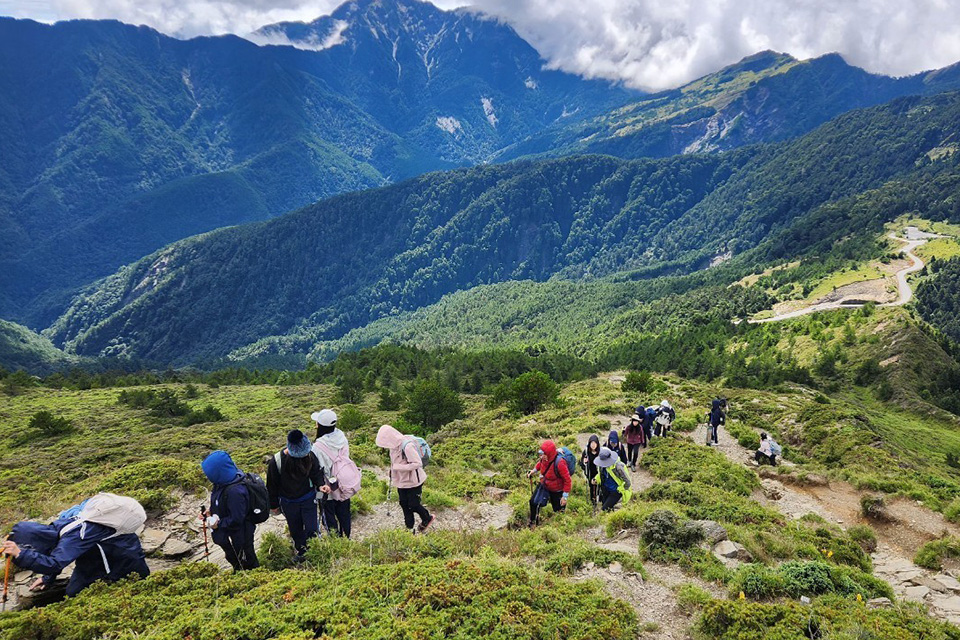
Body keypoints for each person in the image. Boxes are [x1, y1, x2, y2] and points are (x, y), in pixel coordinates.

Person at [1, 496, 149, 598]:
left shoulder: (76, 535)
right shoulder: (59, 525)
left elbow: (56, 562)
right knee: (73, 592)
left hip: (119, 559)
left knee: (76, 594)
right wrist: (47, 578)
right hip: (95, 554)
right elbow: (57, 550)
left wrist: (21, 554)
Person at [267, 429, 329, 560]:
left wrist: (321, 485)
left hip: (308, 498)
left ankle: (314, 550)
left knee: (312, 527)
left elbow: (316, 472)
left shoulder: (310, 456)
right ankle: (302, 551)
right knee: (295, 529)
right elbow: (272, 486)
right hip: (288, 502)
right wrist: (273, 505)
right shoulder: (276, 461)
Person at [201, 450, 259, 570]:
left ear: (217, 472)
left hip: (242, 532)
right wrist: (211, 511)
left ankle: (254, 576)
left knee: (246, 556)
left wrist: (218, 524)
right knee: (233, 555)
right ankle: (239, 570)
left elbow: (237, 519)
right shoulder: (222, 481)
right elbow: (221, 500)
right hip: (231, 529)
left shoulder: (235, 491)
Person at [376, 424, 435, 533]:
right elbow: (394, 461)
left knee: (413, 505)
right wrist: (393, 470)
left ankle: (427, 518)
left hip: (414, 481)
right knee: (403, 504)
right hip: (401, 481)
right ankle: (409, 528)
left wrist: (398, 467)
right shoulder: (393, 446)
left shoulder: (407, 446)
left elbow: (417, 463)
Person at [311, 409, 353, 538]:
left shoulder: (318, 446)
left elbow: (317, 468)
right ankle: (346, 536)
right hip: (343, 481)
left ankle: (335, 539)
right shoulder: (342, 437)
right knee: (344, 511)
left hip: (326, 485)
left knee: (328, 513)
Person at [526, 440, 572, 526]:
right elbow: (540, 464)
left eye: (543, 454)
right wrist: (533, 471)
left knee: (558, 511)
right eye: (541, 453)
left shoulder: (560, 463)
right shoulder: (544, 459)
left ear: (549, 454)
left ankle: (560, 528)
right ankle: (532, 522)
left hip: (557, 490)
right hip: (545, 485)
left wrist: (564, 497)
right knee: (533, 502)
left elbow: (567, 480)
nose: (541, 456)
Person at [593, 446, 632, 511]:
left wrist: (620, 489)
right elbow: (601, 474)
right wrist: (596, 479)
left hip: (615, 491)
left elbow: (628, 482)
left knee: (604, 509)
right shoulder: (601, 466)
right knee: (606, 507)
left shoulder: (618, 467)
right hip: (606, 489)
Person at [580, 435, 601, 507]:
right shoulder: (586, 452)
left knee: (599, 486)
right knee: (592, 487)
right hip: (590, 472)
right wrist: (584, 462)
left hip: (599, 473)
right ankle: (593, 501)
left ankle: (599, 498)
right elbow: (581, 463)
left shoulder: (600, 452)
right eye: (591, 443)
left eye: (595, 443)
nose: (593, 445)